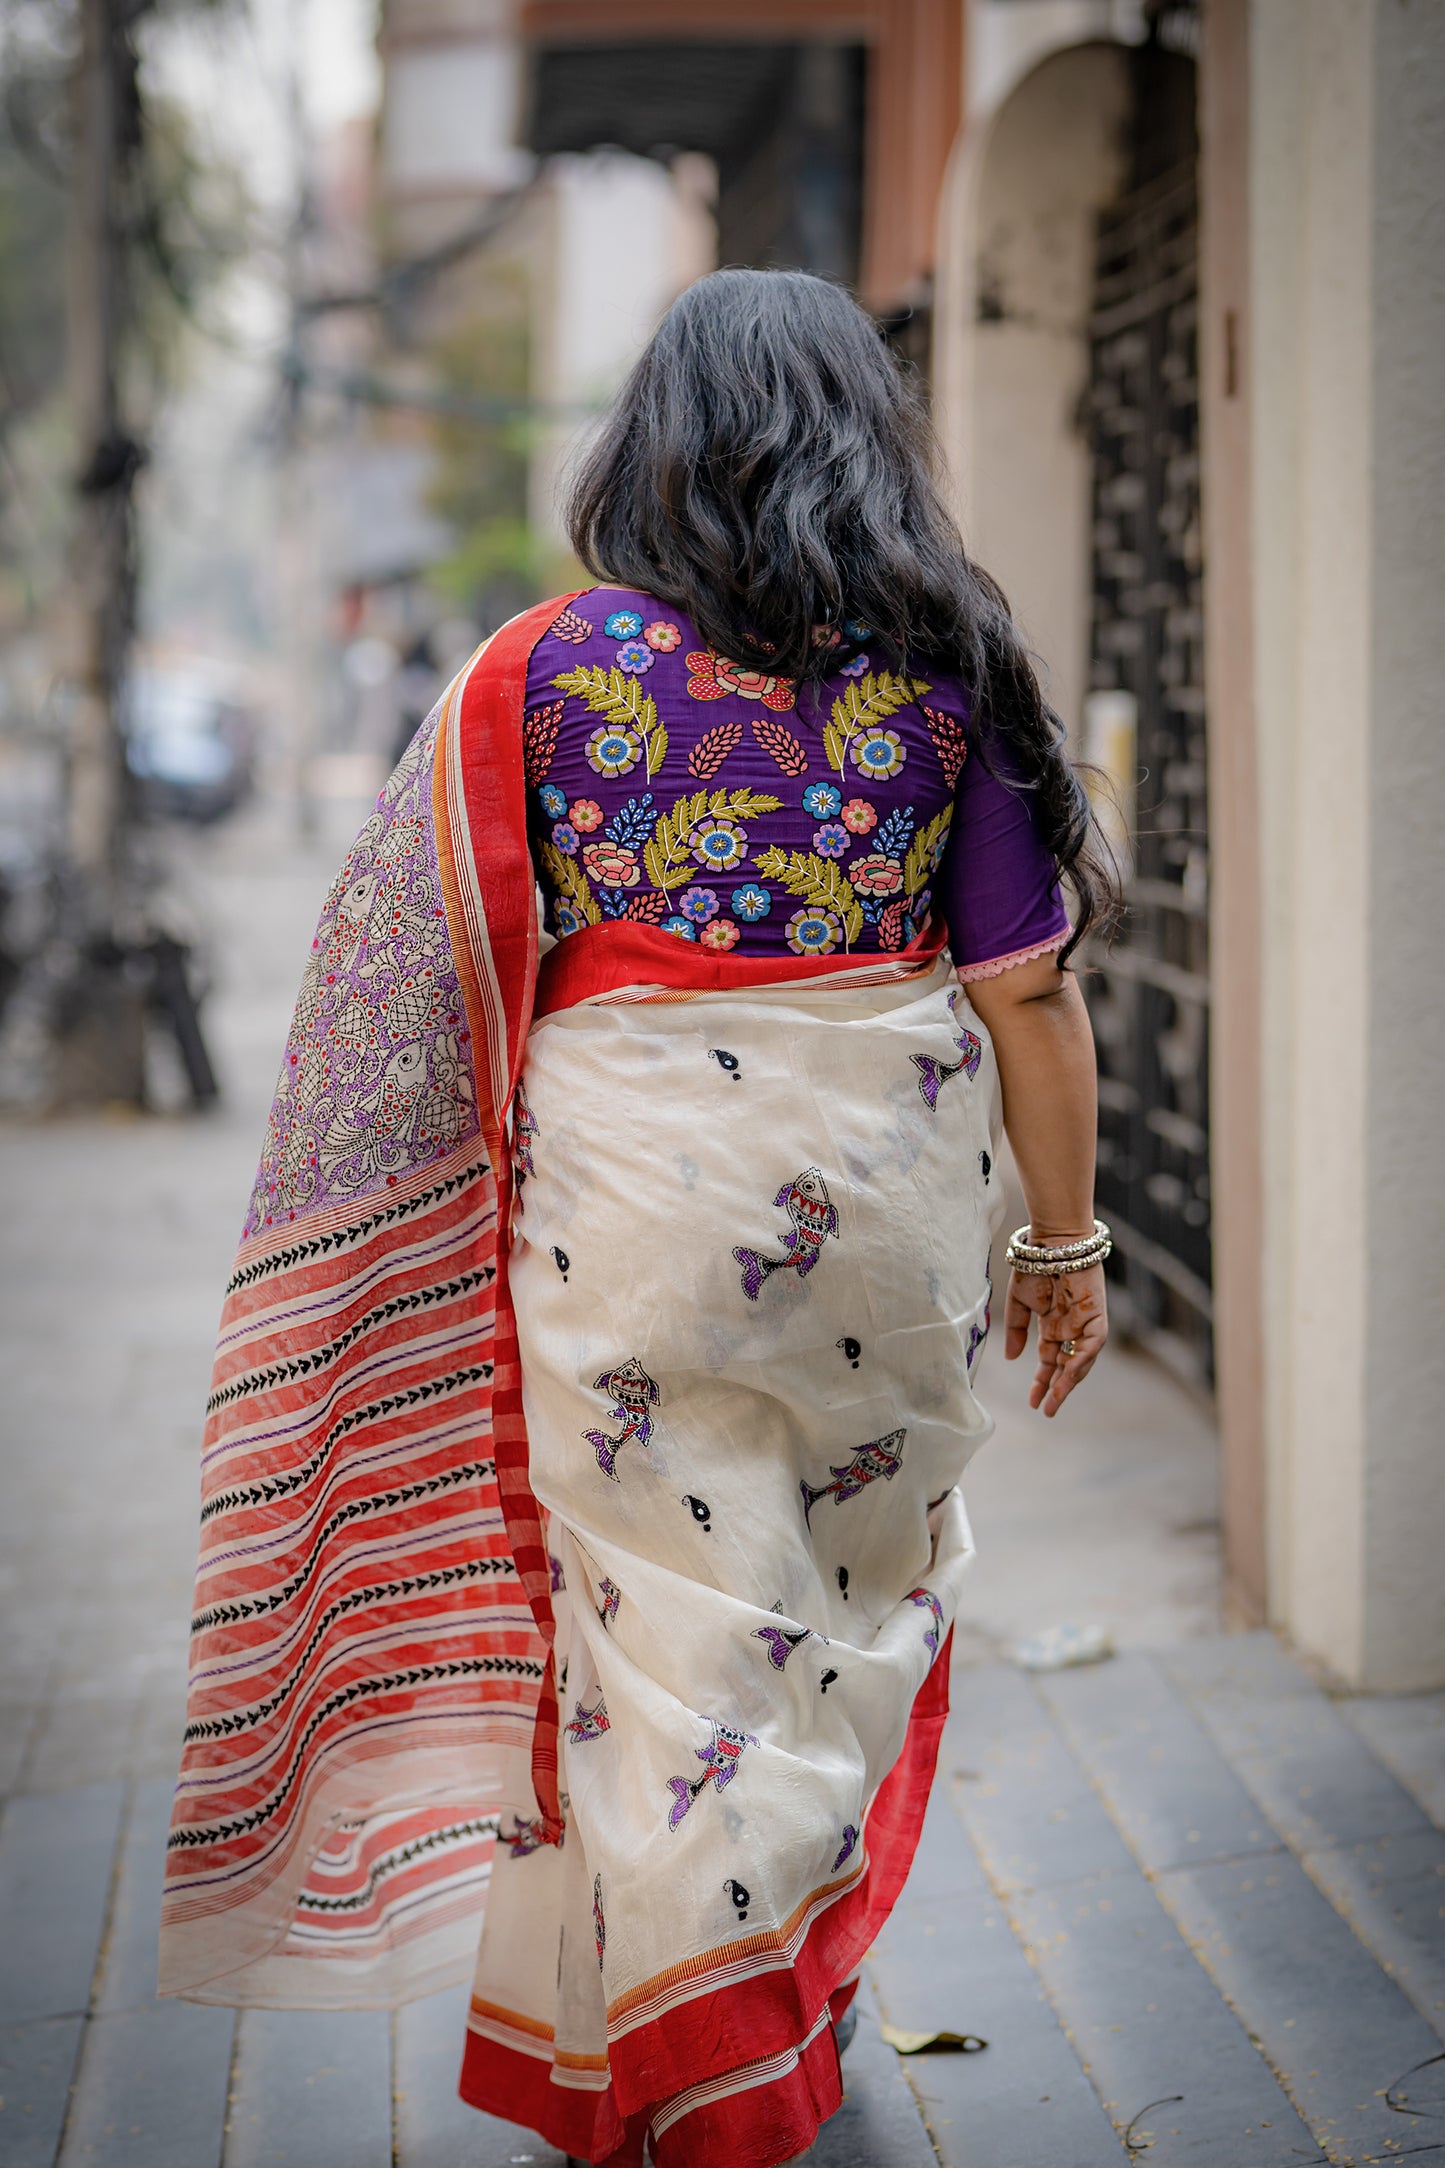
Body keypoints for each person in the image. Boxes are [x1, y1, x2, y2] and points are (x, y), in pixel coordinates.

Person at [159, 269, 1116, 2168]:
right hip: (885, 1226)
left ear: (648, 442)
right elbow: (1027, 992)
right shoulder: (953, 667)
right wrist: (1065, 1248)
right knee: (838, 1622)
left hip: (630, 1216)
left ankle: (713, 2072)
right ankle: (748, 2045)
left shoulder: (535, 674)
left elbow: (422, 977)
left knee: (666, 1662)